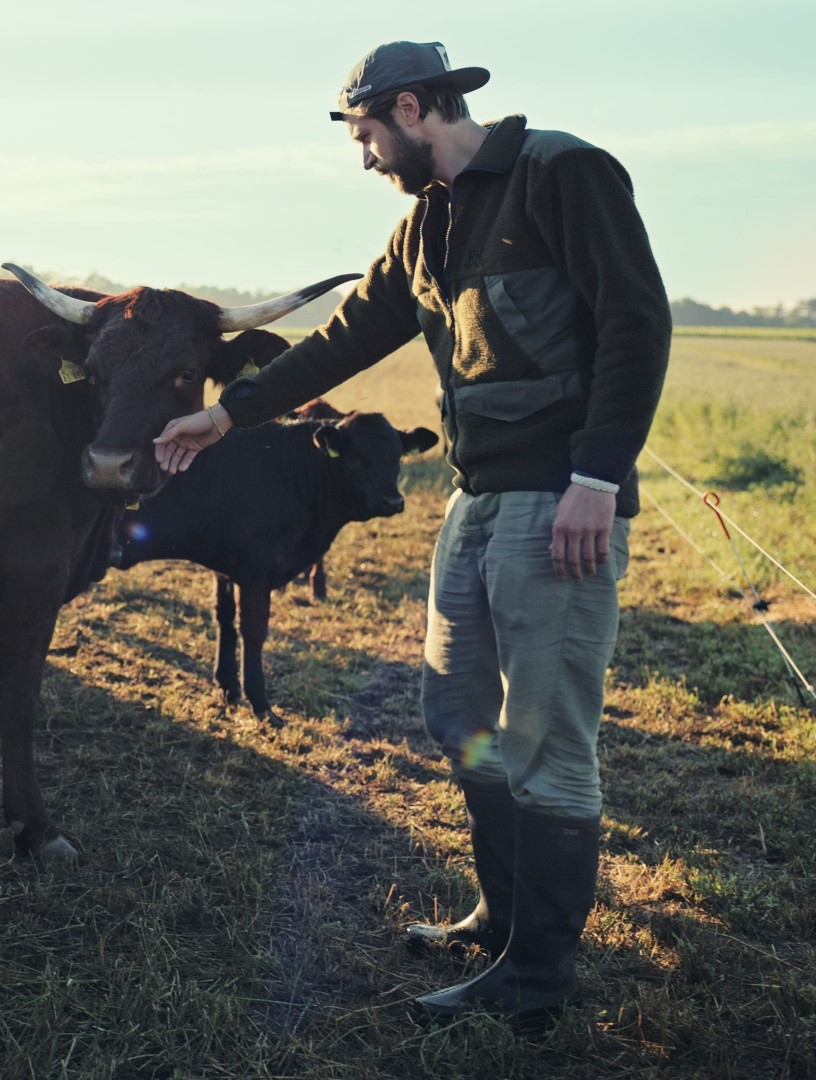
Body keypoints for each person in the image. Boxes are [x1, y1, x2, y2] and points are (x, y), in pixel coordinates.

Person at [153, 41, 669, 1020]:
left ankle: (537, 978)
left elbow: (636, 325)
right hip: (476, 501)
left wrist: (598, 476)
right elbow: (347, 337)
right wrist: (228, 415)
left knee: (546, 739)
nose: (366, 159)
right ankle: (500, 915)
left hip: (561, 497)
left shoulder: (564, 174)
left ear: (408, 108)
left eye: (365, 136)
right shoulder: (426, 228)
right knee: (457, 715)